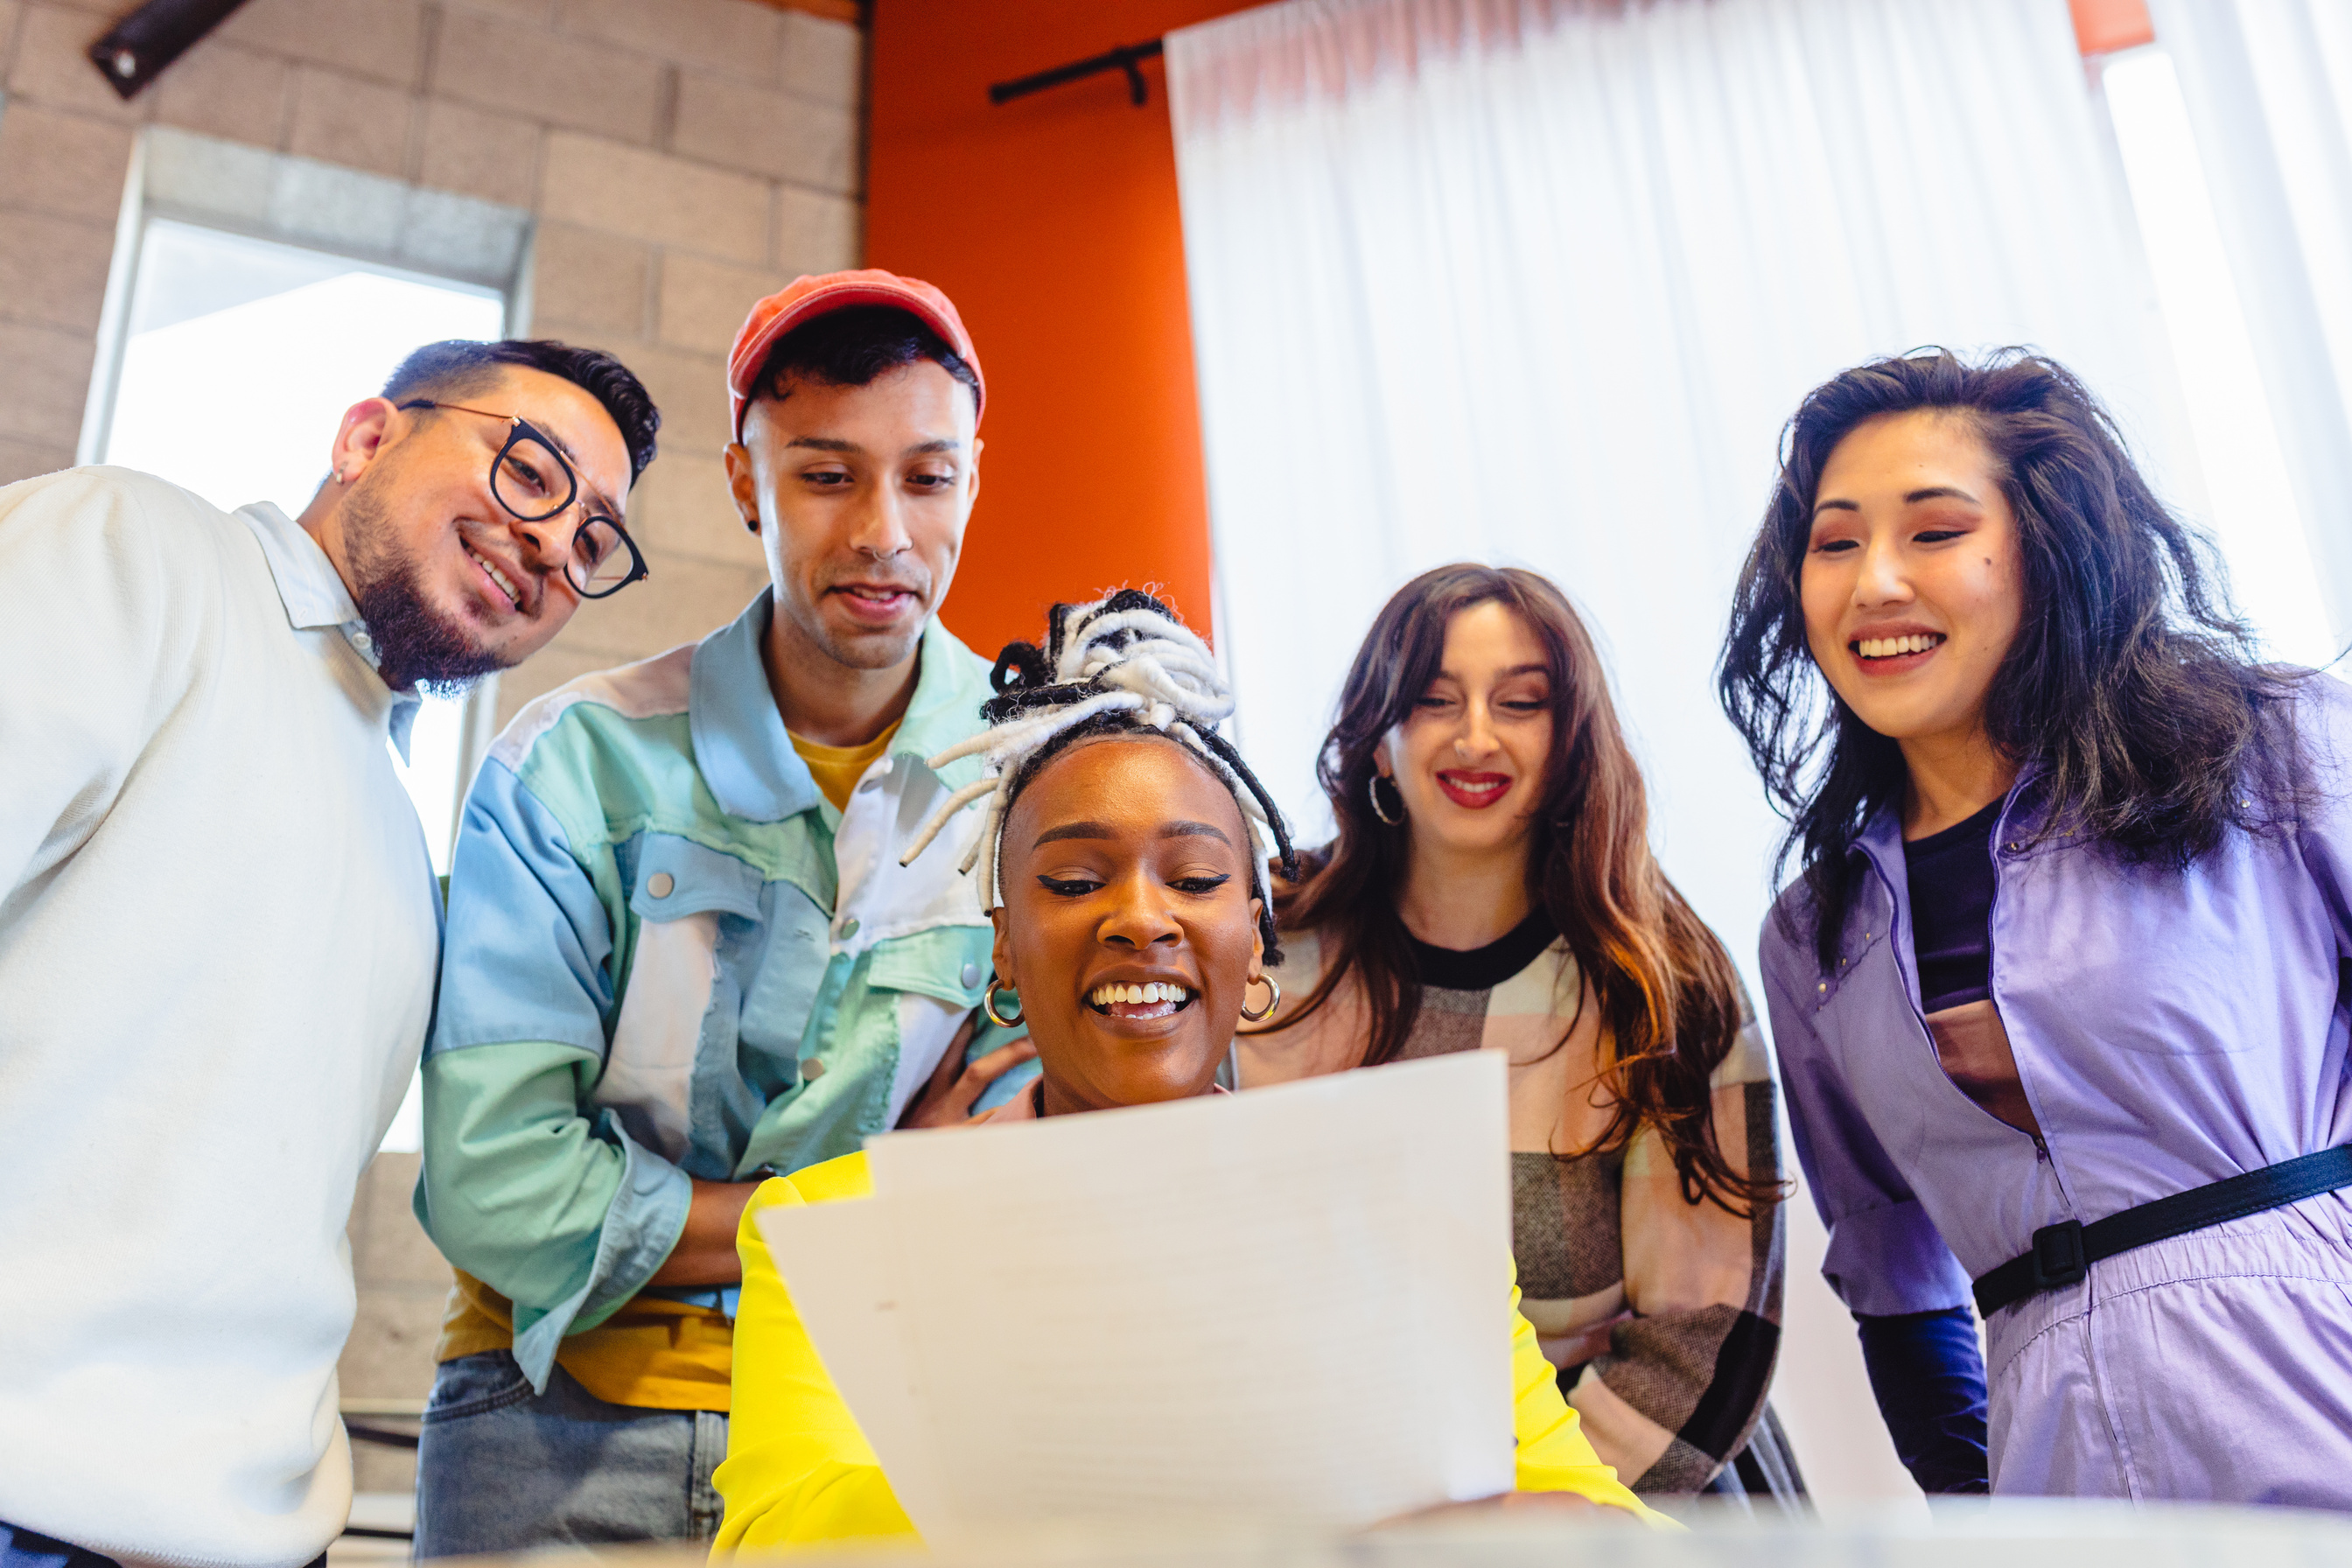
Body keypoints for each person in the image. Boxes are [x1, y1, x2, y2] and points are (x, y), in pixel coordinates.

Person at [712, 592, 1662, 1550]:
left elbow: (1617, 1530)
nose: (1141, 918)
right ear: (1002, 949)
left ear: (1255, 943)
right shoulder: (834, 1228)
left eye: (1198, 880)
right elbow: (767, 1545)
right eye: (1076, 883)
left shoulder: (1405, 1228)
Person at [0, 340, 658, 1568]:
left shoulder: (399, 838)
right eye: (530, 471)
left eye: (593, 537)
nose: (551, 540)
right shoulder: (140, 549)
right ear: (366, 438)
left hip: (240, 1531)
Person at [412, 271, 1032, 1552]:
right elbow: (495, 1189)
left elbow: (1022, 1171)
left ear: (976, 476)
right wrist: (869, 1200)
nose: (883, 532)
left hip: (888, 1431)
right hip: (553, 1426)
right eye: (824, 475)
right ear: (746, 483)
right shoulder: (572, 766)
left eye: (928, 477)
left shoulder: (1034, 782)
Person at [1718, 347, 2352, 1503]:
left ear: (2047, 550)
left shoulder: (2272, 750)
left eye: (1935, 531)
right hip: (2060, 1484)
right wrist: (1983, 1520)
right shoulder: (1816, 935)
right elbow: (1893, 1281)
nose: (1874, 585)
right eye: (1836, 542)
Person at [1232, 564, 1798, 1505]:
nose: (1476, 736)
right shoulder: (1263, 947)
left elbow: (1702, 1334)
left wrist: (1529, 1527)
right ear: (1379, 740)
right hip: (1331, 1501)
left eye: (1521, 702)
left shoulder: (1666, 983)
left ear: (1570, 738)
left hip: (1618, 1501)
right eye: (1434, 699)